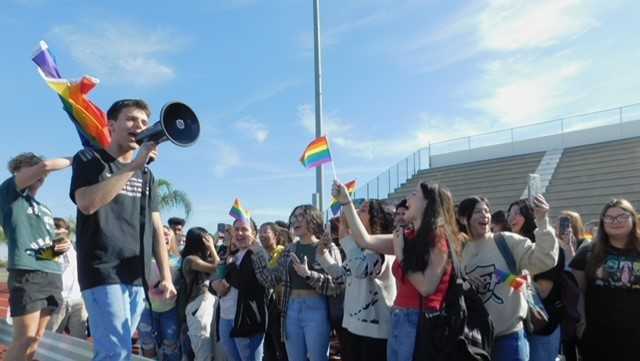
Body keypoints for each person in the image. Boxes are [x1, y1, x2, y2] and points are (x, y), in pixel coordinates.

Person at [70, 99, 177, 361]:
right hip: (102, 270)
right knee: (114, 353)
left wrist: (166, 276)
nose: (139, 126)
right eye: (131, 119)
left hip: (135, 275)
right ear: (112, 125)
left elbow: (154, 226)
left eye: (143, 122)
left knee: (121, 351)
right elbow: (87, 203)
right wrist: (133, 167)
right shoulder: (89, 159)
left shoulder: (147, 176)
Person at [333, 181, 460, 361]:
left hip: (420, 321)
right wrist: (346, 202)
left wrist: (401, 255)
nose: (408, 198)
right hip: (400, 317)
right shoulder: (406, 236)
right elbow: (365, 240)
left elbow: (426, 287)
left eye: (415, 195)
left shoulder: (437, 238)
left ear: (428, 203)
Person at [458, 195, 558, 361]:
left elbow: (545, 259)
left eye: (486, 211)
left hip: (510, 339)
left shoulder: (505, 240)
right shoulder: (460, 252)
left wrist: (542, 220)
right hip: (475, 341)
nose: (485, 215)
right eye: (477, 212)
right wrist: (465, 283)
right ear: (463, 218)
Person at [1, 153, 72, 361]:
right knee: (24, 339)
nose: (39, 171)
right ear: (16, 171)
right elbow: (46, 165)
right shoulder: (9, 193)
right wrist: (77, 158)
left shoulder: (45, 210)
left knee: (37, 339)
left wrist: (59, 248)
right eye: (29, 167)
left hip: (51, 274)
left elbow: (43, 253)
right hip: (27, 274)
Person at [251, 205, 344, 361]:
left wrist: (308, 275)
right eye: (293, 217)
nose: (295, 220)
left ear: (313, 219)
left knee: (317, 358)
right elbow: (271, 280)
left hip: (317, 308)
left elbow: (337, 285)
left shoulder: (327, 247)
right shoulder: (289, 249)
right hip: (290, 309)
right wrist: (258, 254)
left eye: (301, 216)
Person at [318, 199, 396, 361]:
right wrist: (323, 254)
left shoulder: (383, 248)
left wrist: (345, 236)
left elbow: (360, 269)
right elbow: (342, 276)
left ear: (379, 218)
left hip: (374, 332)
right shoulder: (359, 249)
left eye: (364, 209)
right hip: (351, 326)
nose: (357, 211)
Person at [569, 199, 640, 361]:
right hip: (598, 337)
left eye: (622, 216)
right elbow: (576, 293)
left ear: (632, 218)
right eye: (609, 217)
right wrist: (581, 327)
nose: (615, 221)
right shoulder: (587, 252)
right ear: (602, 222)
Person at [508, 199, 563, 361]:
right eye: (509, 214)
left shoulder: (547, 247)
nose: (511, 218)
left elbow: (542, 292)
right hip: (516, 325)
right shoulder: (508, 246)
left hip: (542, 323)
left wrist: (502, 278)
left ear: (530, 216)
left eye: (517, 213)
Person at [211, 218, 267, 361]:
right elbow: (214, 284)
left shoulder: (257, 254)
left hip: (247, 319)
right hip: (225, 316)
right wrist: (215, 284)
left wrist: (228, 270)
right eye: (236, 229)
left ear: (254, 233)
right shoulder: (232, 256)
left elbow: (243, 282)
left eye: (244, 229)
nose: (239, 233)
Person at [138, 225, 182, 361]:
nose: (164, 237)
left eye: (167, 234)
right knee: (147, 345)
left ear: (173, 238)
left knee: (170, 346)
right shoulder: (145, 259)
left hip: (170, 311)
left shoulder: (179, 261)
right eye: (160, 234)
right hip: (147, 310)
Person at [180, 227, 220, 361]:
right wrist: (213, 249)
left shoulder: (202, 259)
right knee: (203, 350)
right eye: (206, 240)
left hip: (206, 304)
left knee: (210, 347)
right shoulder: (191, 260)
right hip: (197, 306)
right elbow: (217, 268)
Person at [46, 217, 88, 340]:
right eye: (53, 229)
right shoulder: (49, 249)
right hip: (58, 299)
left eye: (58, 228)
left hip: (78, 300)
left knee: (80, 340)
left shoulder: (76, 248)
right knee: (51, 338)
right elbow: (42, 259)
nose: (56, 232)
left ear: (67, 231)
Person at [259, 222, 289, 361]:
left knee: (281, 349)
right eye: (260, 232)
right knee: (268, 349)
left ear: (275, 235)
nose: (261, 235)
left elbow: (274, 279)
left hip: (280, 308)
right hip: (266, 308)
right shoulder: (260, 254)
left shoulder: (282, 253)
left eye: (265, 231)